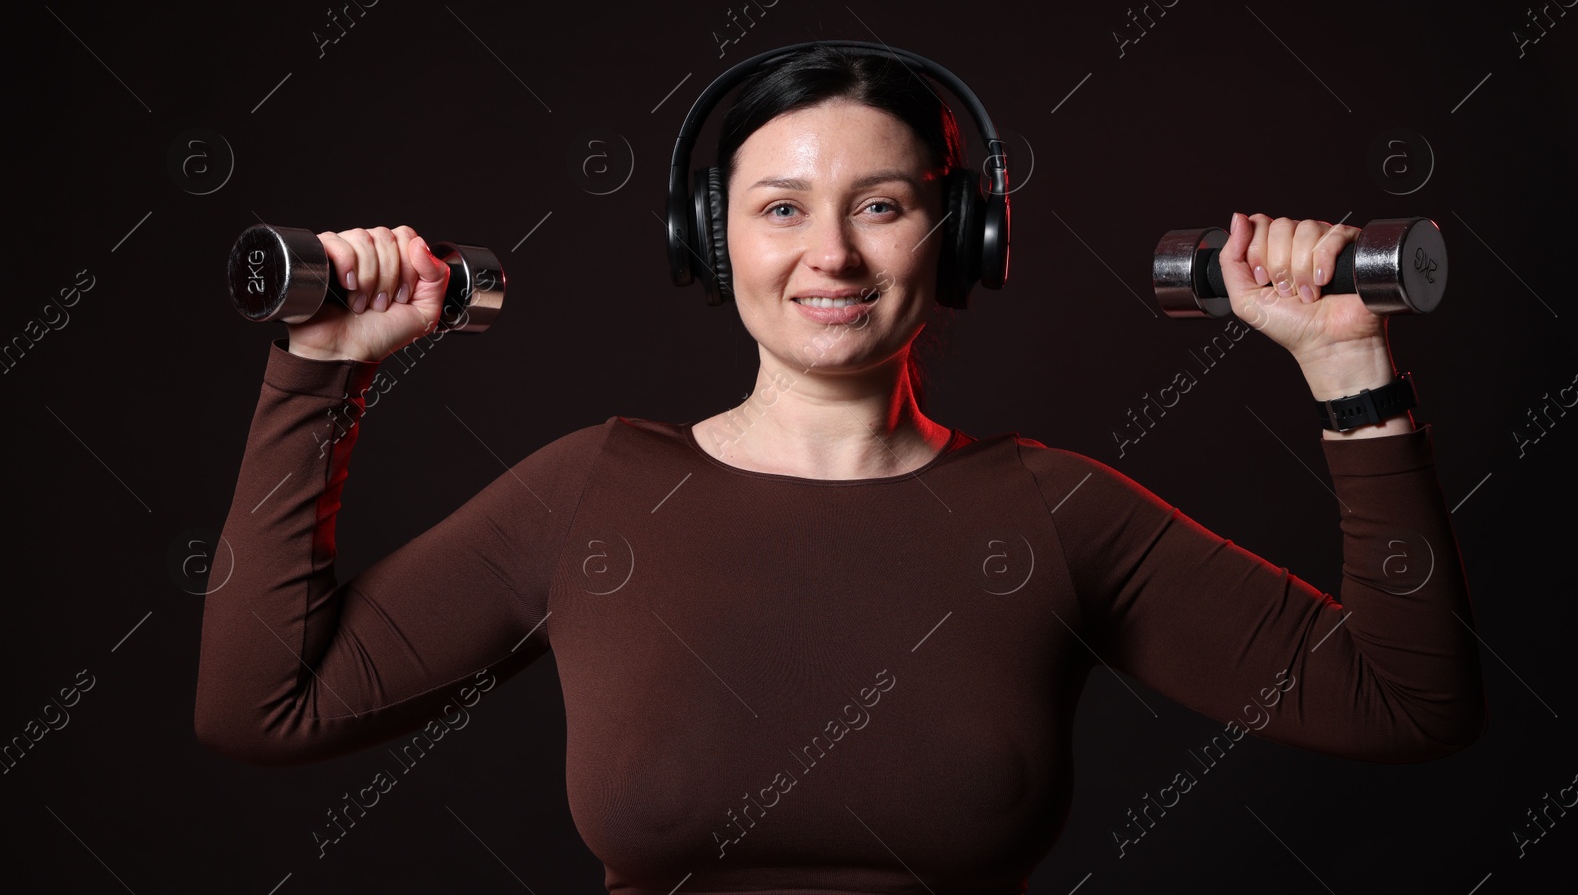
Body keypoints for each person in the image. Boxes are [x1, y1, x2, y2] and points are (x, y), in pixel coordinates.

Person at [195, 44, 1486, 893]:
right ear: (710, 243)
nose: (833, 257)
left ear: (960, 235)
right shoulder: (594, 495)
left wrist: (1345, 362)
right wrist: (320, 366)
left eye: (880, 204)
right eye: (779, 208)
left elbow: (1406, 705)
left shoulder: (1052, 516)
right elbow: (261, 710)